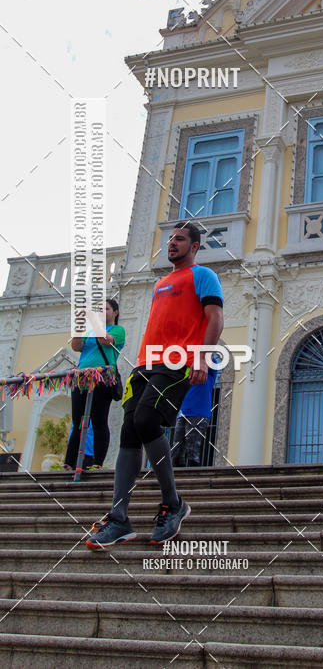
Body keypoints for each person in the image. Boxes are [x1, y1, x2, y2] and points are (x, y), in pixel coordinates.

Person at [87, 222, 224, 549]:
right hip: (146, 364)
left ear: (194, 246)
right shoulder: (161, 283)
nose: (172, 244)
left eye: (179, 239)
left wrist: (202, 358)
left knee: (148, 419)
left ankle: (173, 503)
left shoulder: (203, 276)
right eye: (170, 239)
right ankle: (119, 519)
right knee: (131, 431)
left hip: (178, 361)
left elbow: (216, 318)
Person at [64, 298, 125, 470]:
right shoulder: (90, 330)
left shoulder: (118, 330)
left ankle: (98, 462)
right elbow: (76, 346)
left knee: (99, 420)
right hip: (82, 377)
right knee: (78, 421)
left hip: (103, 378)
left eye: (106, 309)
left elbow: (107, 341)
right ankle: (70, 461)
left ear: (115, 312)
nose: (102, 312)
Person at [172, 359, 219, 467]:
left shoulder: (209, 371)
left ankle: (193, 478)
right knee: (176, 450)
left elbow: (209, 356)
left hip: (199, 413)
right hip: (182, 413)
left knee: (192, 450)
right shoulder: (187, 372)